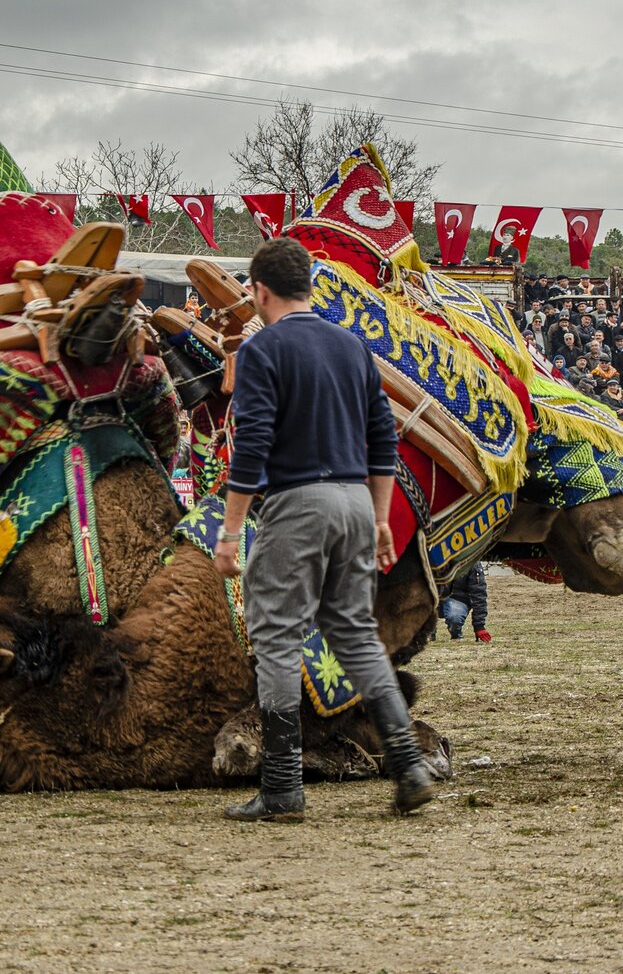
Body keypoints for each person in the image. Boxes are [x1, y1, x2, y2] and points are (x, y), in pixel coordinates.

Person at [214, 238, 435, 821]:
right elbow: (383, 439)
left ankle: (282, 788)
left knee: (277, 638)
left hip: (297, 503)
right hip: (356, 503)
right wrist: (381, 517)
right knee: (356, 634)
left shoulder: (263, 350)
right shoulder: (352, 347)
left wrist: (231, 532)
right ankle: (408, 764)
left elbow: (252, 446)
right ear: (308, 287)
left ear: (260, 291)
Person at [438, 564, 490, 642]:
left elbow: (478, 594)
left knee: (455, 617)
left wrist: (479, 626)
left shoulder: (472, 563)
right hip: (433, 597)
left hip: (458, 598)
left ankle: (456, 633)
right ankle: (428, 633)